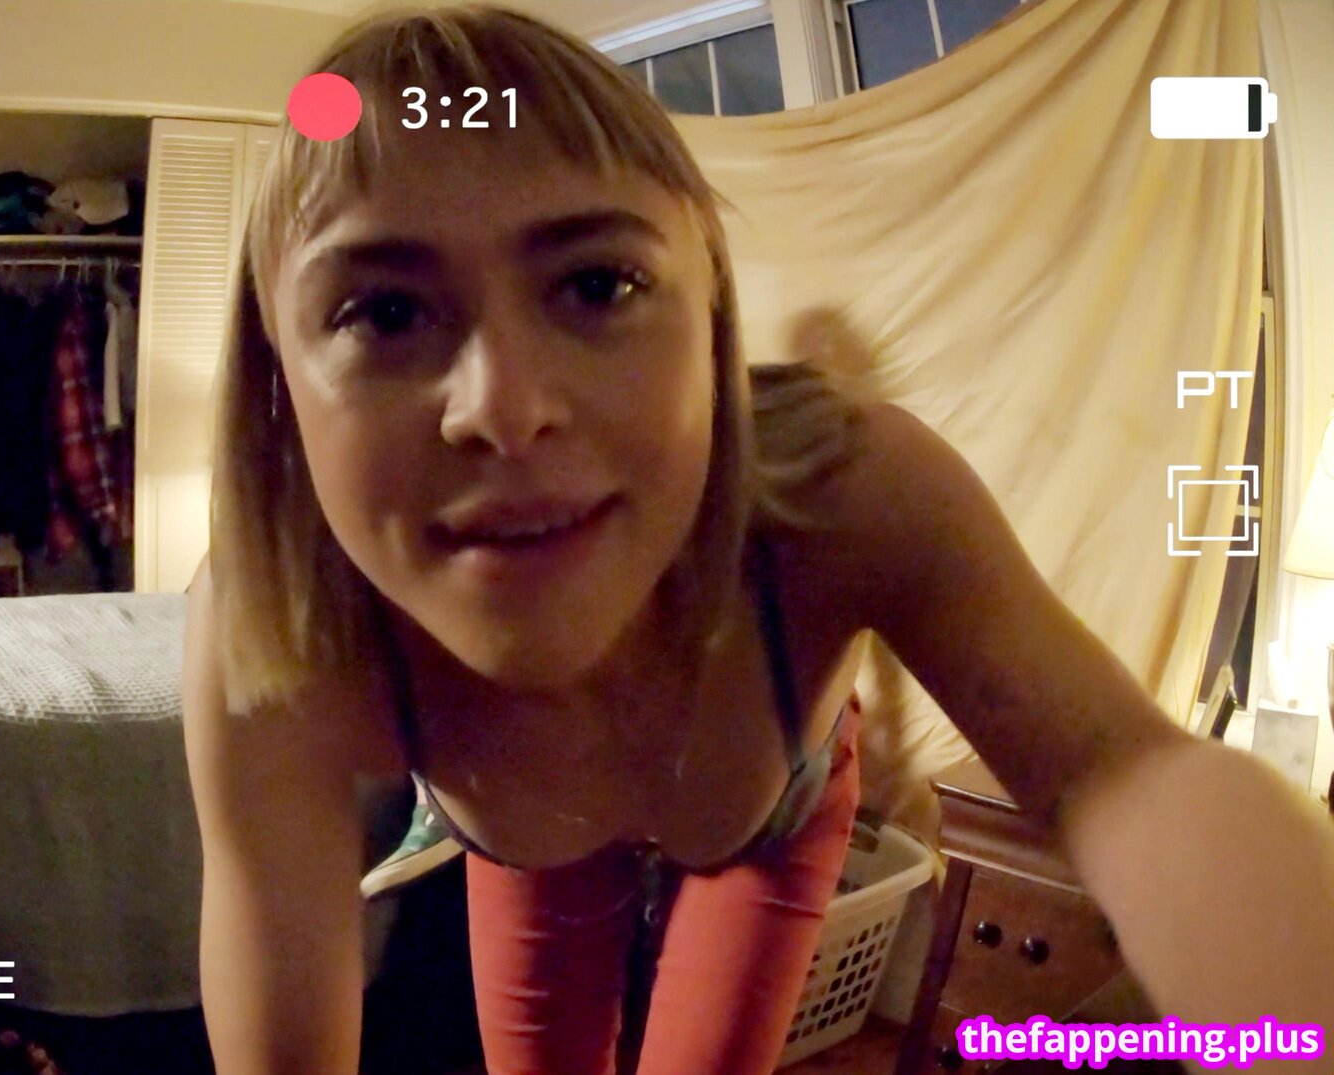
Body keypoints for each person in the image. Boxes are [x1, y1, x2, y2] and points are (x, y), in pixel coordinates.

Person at [181, 6, 1334, 1074]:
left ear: (715, 321)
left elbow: (1122, 768)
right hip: (528, 854)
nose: (505, 406)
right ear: (276, 386)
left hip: (772, 821)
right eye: (384, 311)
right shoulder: (277, 611)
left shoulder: (846, 490)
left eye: (597, 284)